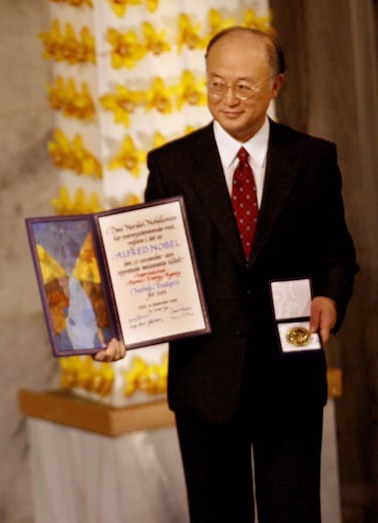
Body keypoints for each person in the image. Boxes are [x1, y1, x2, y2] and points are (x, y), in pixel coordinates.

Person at [97, 26, 358, 522]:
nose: (228, 98)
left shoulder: (313, 159)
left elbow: (337, 253)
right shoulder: (172, 164)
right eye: (216, 84)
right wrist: (121, 327)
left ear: (276, 85)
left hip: (291, 375)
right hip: (205, 380)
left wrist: (329, 297)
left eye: (244, 85)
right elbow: (153, 265)